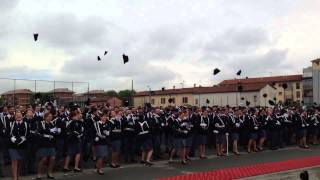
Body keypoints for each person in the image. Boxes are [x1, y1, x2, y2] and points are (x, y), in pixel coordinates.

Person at [7, 111, 28, 180]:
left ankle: (17, 176)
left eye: (20, 115)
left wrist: (25, 138)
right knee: (14, 161)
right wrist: (11, 137)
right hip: (12, 146)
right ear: (15, 116)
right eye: (17, 115)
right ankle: (15, 178)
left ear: (22, 116)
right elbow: (7, 133)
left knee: (19, 162)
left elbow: (28, 134)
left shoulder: (25, 124)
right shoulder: (11, 124)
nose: (18, 117)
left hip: (22, 145)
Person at [36, 112, 57, 180]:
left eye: (51, 116)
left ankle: (49, 173)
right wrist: (49, 131)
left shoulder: (52, 123)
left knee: (52, 158)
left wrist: (56, 131)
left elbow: (54, 132)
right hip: (43, 143)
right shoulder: (41, 123)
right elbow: (40, 131)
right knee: (44, 159)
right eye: (48, 116)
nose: (50, 117)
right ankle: (39, 174)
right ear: (45, 117)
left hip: (51, 143)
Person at [64, 108, 84, 172]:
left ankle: (74, 167)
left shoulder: (78, 122)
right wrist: (74, 133)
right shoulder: (71, 122)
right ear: (74, 116)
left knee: (77, 153)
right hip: (72, 140)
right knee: (71, 153)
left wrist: (80, 133)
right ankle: (67, 167)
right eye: (77, 115)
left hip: (76, 139)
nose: (79, 116)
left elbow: (79, 130)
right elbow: (67, 131)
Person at [93, 110, 110, 175]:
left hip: (105, 142)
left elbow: (107, 133)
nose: (105, 118)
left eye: (106, 117)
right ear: (101, 117)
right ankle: (100, 169)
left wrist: (105, 134)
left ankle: (97, 166)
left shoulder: (106, 124)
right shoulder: (97, 124)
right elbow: (96, 133)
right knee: (101, 156)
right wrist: (98, 136)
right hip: (99, 142)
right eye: (103, 117)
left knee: (104, 156)